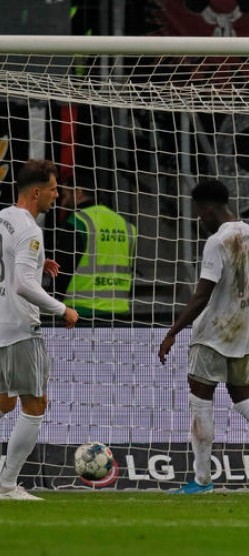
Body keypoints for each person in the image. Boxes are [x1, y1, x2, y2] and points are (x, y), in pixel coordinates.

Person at [158, 179, 249, 494]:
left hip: (212, 335)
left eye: (199, 212)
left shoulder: (217, 241)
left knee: (201, 403)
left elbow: (201, 296)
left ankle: (201, 481)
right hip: (243, 336)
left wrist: (172, 332)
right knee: (246, 400)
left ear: (208, 208)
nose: (199, 218)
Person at [0, 159, 79, 500]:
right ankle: (6, 485)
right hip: (19, 325)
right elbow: (21, 285)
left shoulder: (3, 217)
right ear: (36, 192)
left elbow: (11, 262)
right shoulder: (31, 230)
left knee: (3, 403)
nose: (57, 195)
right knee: (35, 403)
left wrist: (37, 261)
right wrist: (63, 309)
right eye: (52, 189)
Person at [51, 177, 137, 319]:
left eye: (65, 194)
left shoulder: (77, 222)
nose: (61, 199)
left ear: (78, 192)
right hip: (120, 311)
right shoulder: (127, 226)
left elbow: (62, 270)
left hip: (81, 311)